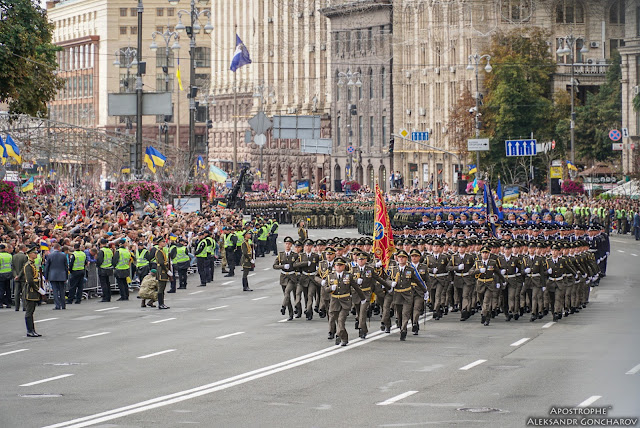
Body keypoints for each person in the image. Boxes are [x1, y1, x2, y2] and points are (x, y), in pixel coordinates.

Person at [323, 257, 366, 346]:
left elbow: (356, 287)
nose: (339, 267)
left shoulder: (348, 276)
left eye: (341, 265)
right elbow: (325, 289)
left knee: (341, 320)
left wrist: (363, 298)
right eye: (337, 265)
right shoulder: (330, 276)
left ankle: (338, 335)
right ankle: (344, 338)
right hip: (334, 301)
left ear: (344, 266)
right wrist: (331, 288)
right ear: (334, 266)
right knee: (337, 320)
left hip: (345, 301)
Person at [24, 245, 43, 337]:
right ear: (30, 254)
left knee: (32, 311)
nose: (36, 255)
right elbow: (30, 280)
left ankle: (32, 330)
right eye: (34, 253)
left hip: (34, 289)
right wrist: (38, 289)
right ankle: (29, 330)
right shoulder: (28, 265)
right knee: (29, 311)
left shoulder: (32, 264)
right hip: (31, 290)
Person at [44, 243, 69, 310]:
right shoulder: (63, 255)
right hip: (61, 275)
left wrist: (46, 277)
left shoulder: (50, 255)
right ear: (58, 248)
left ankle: (57, 305)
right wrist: (66, 276)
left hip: (53, 275)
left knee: (55, 290)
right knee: (62, 290)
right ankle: (63, 305)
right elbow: (66, 267)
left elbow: (47, 267)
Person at [154, 236, 170, 309]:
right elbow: (161, 263)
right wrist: (167, 270)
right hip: (161, 271)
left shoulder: (162, 251)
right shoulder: (159, 251)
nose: (164, 243)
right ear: (160, 243)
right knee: (161, 288)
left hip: (163, 270)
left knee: (163, 288)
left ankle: (162, 303)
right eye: (163, 242)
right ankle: (160, 304)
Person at [12, 244, 28, 311]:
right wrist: (19, 275)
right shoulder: (25, 257)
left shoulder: (14, 256)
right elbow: (24, 267)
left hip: (16, 277)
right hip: (23, 277)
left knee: (16, 293)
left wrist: (16, 275)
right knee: (24, 292)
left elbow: (13, 267)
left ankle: (16, 307)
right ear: (23, 248)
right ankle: (24, 306)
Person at [0, 244, 13, 308]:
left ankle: (1, 303)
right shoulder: (9, 255)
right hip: (8, 273)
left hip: (1, 274)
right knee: (8, 289)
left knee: (1, 289)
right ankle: (8, 303)